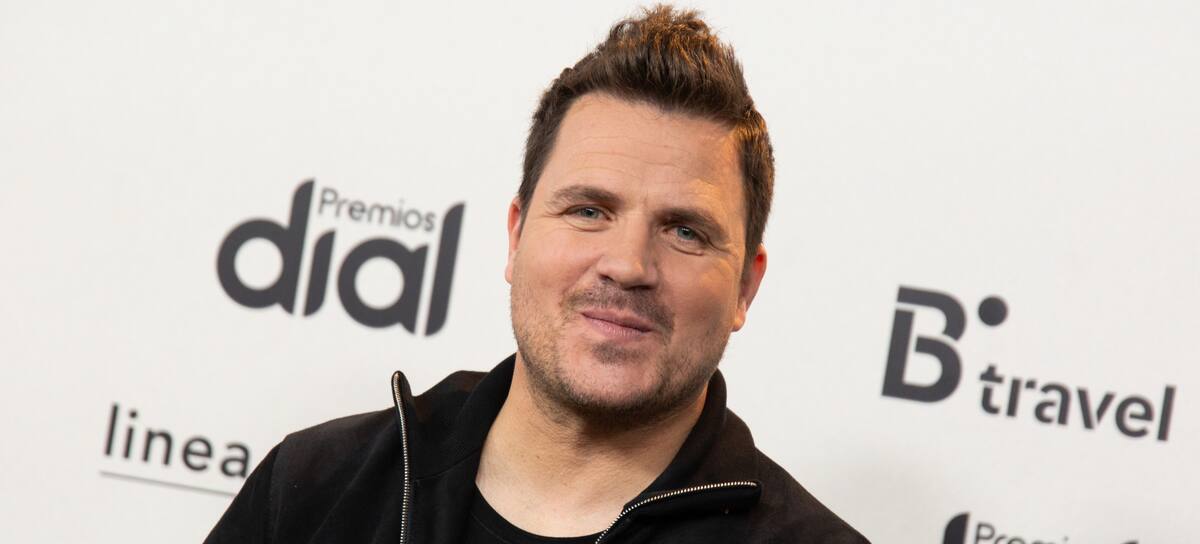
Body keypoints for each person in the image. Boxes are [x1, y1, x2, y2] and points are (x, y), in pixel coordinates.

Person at [206, 5, 869, 543]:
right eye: (589, 211)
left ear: (746, 287)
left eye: (685, 232)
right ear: (517, 235)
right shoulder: (318, 487)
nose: (627, 265)